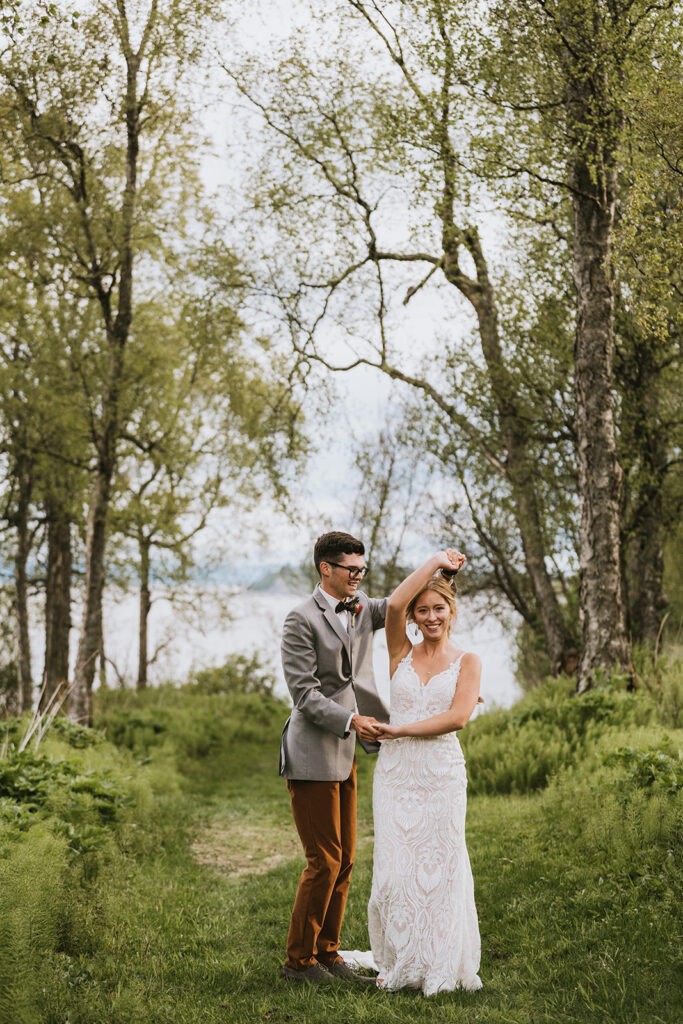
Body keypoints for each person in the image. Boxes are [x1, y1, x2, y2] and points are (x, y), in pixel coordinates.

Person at [368, 548, 483, 995]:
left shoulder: (468, 661)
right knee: (396, 873)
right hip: (397, 776)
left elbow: (457, 718)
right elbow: (393, 605)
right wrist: (435, 562)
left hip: (440, 775)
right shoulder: (401, 651)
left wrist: (399, 729)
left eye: (438, 608)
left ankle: (439, 963)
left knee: (441, 869)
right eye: (424, 610)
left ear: (451, 611)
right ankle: (401, 961)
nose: (430, 616)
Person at [279, 531, 388, 985]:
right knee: (322, 859)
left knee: (345, 859)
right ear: (327, 568)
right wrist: (352, 720)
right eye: (352, 570)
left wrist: (440, 566)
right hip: (312, 753)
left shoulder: (359, 606)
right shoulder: (299, 619)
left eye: (363, 570)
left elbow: (400, 602)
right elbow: (305, 695)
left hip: (345, 754)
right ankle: (297, 962)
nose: (359, 578)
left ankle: (328, 952)